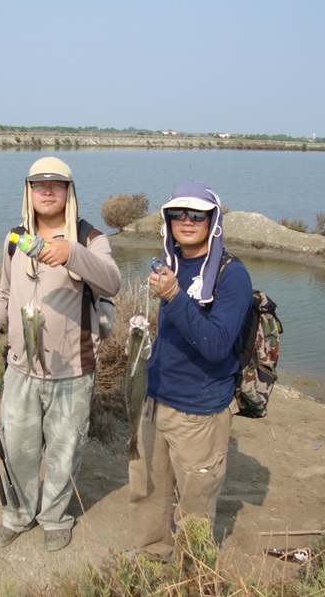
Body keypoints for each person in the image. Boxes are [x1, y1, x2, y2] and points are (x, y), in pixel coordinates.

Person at [0, 156, 121, 552]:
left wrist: (71, 254)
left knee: (65, 450)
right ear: (28, 191)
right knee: (17, 449)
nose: (48, 191)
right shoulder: (15, 238)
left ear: (69, 191)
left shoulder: (91, 238)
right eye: (39, 184)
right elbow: (4, 293)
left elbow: (113, 282)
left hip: (73, 370)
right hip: (20, 368)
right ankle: (18, 515)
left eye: (57, 184)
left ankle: (55, 517)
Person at [127, 181, 252, 561]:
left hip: (199, 412)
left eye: (197, 214)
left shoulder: (233, 276)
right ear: (167, 220)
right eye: (178, 213)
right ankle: (152, 556)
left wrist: (173, 297)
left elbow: (216, 346)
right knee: (150, 490)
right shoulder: (172, 265)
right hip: (156, 401)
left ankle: (194, 571)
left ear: (213, 221)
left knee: (196, 502)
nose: (187, 220)